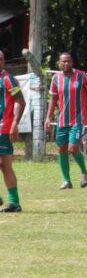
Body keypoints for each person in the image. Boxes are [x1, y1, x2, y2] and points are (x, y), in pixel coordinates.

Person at [45, 52, 87, 189]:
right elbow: (53, 100)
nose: (66, 64)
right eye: (63, 61)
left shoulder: (81, 76)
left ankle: (84, 172)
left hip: (78, 119)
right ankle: (66, 181)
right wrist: (48, 117)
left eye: (68, 61)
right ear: (59, 63)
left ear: (72, 62)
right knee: (61, 149)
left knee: (73, 148)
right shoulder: (56, 79)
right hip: (62, 119)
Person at [0, 50, 26, 212]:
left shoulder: (9, 80)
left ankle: (14, 203)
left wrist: (14, 124)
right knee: (4, 165)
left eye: (1, 58)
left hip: (3, 128)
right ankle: (13, 202)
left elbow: (21, 102)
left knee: (5, 165)